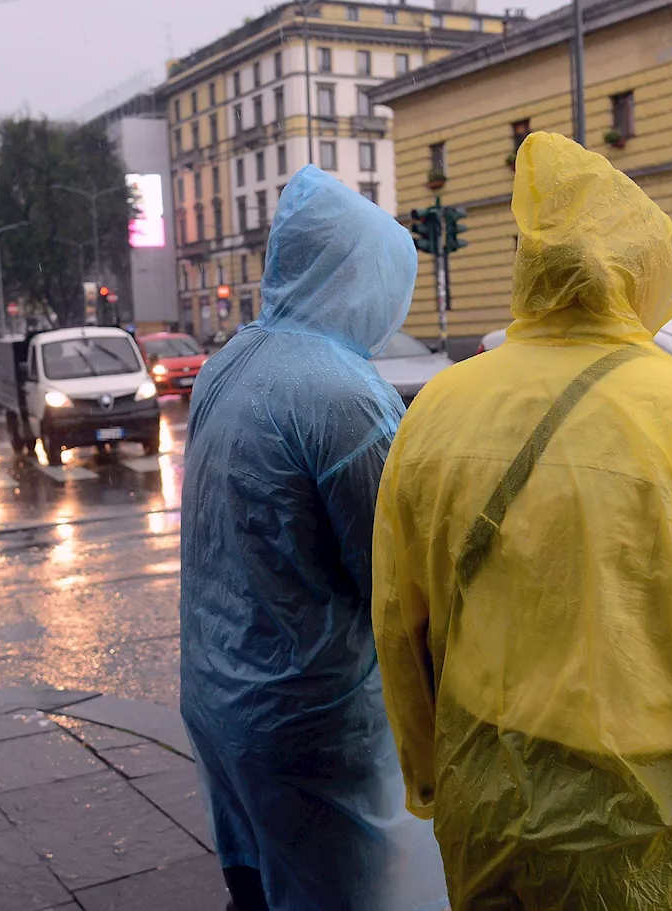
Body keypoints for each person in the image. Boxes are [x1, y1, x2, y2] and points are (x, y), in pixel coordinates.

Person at [373, 132, 672, 911]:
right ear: (643, 271)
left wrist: (431, 775)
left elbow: (397, 621)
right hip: (636, 835)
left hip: (481, 803)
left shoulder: (437, 409)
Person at [180, 166, 449, 911]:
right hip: (314, 724)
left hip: (220, 698)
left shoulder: (228, 362)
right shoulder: (343, 396)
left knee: (260, 888)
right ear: (359, 278)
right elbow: (396, 580)